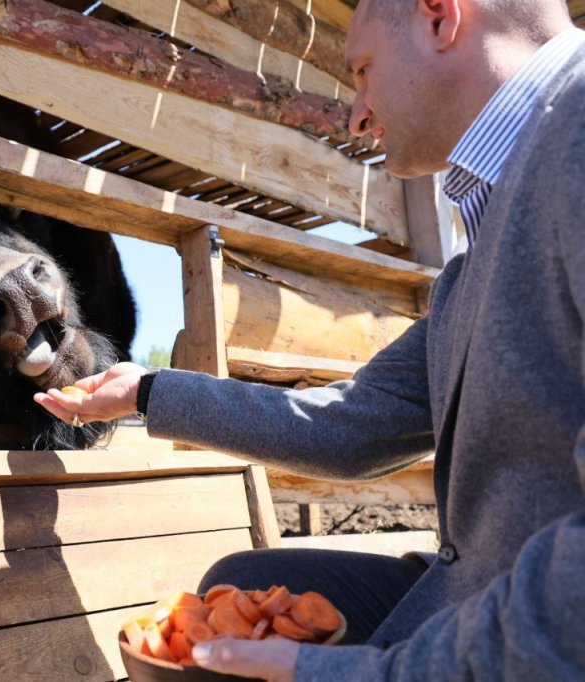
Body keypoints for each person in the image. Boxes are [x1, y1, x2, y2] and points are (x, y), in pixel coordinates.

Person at [36, 0, 585, 679]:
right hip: (479, 586)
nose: (356, 113)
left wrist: (352, 675)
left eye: (362, 70)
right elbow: (353, 425)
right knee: (237, 580)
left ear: (441, 18)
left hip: (539, 623)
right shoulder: (477, 253)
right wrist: (148, 391)